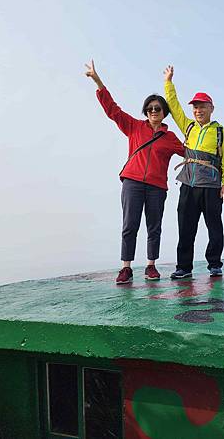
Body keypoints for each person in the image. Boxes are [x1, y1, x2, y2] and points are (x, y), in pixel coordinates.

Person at [85, 60, 185, 284]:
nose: (153, 112)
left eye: (157, 108)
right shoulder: (134, 127)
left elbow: (189, 152)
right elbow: (113, 110)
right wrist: (97, 81)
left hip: (157, 187)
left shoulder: (170, 138)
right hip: (132, 182)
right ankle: (126, 268)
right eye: (149, 109)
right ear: (145, 111)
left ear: (164, 112)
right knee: (130, 225)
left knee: (154, 226)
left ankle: (151, 266)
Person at [163, 65, 224, 279]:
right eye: (195, 107)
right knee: (185, 227)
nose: (198, 110)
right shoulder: (189, 127)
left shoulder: (220, 132)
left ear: (211, 108)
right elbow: (174, 107)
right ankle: (184, 267)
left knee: (214, 227)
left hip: (212, 186)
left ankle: (214, 264)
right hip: (188, 185)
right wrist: (168, 83)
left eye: (202, 106)